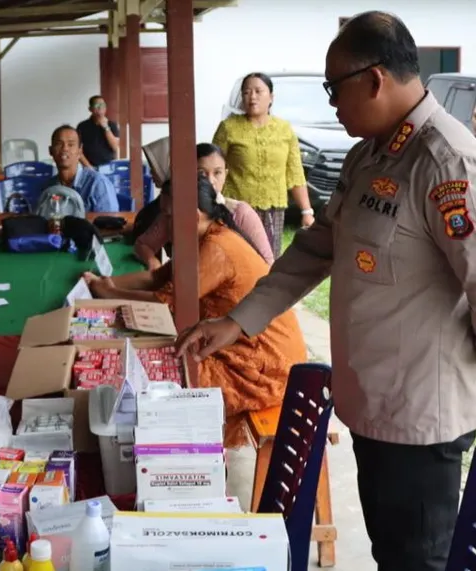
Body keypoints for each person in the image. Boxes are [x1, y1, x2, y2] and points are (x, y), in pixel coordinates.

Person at [177, 11, 476, 571]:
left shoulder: (446, 162)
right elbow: (317, 249)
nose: (331, 103)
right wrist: (237, 322)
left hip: (420, 417)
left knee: (416, 560)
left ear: (374, 79)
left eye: (332, 88)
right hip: (370, 405)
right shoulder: (369, 155)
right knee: (392, 554)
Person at [86, 173, 306, 509]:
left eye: (169, 215)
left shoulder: (216, 248)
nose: (164, 223)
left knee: (169, 386)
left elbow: (167, 303)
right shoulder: (206, 239)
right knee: (163, 364)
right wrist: (108, 285)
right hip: (240, 348)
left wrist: (110, 295)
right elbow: (158, 277)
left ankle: (183, 482)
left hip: (261, 366)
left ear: (193, 215)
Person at [212, 72, 314, 256]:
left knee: (268, 260)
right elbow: (214, 167)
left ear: (271, 97)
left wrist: (307, 211)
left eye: (258, 91)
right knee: (238, 258)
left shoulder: (284, 129)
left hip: (272, 212)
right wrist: (213, 199)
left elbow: (295, 174)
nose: (252, 97)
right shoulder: (228, 128)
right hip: (236, 208)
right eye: (246, 92)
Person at [134, 141, 274, 269]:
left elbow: (267, 265)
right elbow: (143, 244)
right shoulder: (174, 213)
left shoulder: (240, 213)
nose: (210, 180)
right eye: (201, 173)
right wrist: (153, 263)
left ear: (225, 175)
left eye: (217, 173)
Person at [45, 125, 119, 212]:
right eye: (59, 144)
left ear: (80, 151)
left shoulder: (98, 184)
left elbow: (109, 223)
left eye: (71, 144)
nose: (65, 148)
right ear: (50, 151)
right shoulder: (48, 188)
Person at [77, 95, 120, 169]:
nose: (100, 107)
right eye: (97, 105)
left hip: (108, 167)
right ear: (90, 109)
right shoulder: (82, 126)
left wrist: (105, 127)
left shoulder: (112, 125)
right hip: (89, 167)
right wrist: (89, 167)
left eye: (103, 105)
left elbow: (115, 147)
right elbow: (78, 149)